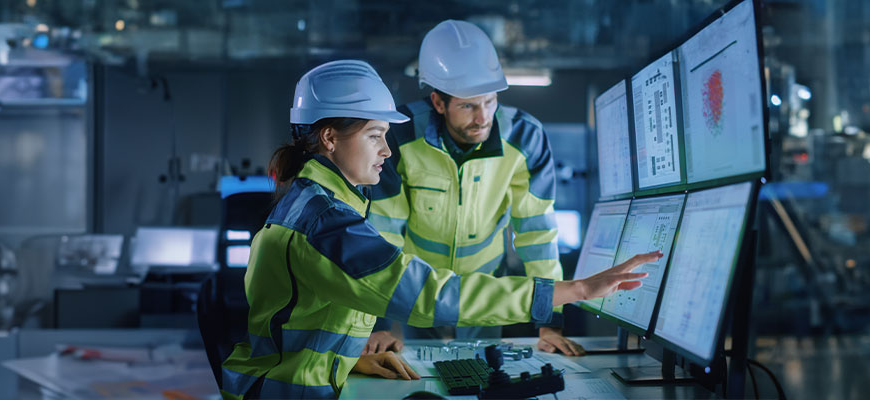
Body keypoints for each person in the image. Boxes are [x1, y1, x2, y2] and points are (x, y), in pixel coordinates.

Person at [217, 59, 662, 399]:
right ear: (330, 138)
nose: (387, 151)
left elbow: (305, 321)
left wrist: (348, 361)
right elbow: (431, 294)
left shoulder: (322, 206)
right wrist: (576, 290)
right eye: (375, 135)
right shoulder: (324, 224)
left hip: (300, 381)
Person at [362, 20, 587, 356]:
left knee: (480, 377)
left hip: (484, 289)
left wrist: (549, 321)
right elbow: (384, 230)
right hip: (416, 289)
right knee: (416, 378)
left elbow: (537, 232)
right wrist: (378, 323)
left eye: (490, 102)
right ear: (438, 103)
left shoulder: (526, 138)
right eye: (468, 106)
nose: (483, 118)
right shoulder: (400, 135)